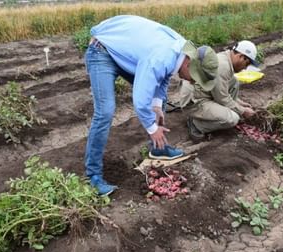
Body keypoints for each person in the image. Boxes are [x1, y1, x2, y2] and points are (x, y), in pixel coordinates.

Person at [85, 15, 219, 196]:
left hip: (126, 53)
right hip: (102, 50)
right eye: (196, 77)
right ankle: (93, 177)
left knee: (159, 100)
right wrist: (151, 127)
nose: (194, 82)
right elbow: (140, 100)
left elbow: (161, 79)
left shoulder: (179, 51)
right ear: (189, 64)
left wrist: (156, 106)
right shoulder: (162, 57)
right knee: (105, 111)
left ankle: (158, 149)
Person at [179, 40, 260, 142]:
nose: (245, 68)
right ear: (240, 56)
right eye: (246, 63)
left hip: (206, 92)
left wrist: (241, 104)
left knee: (234, 81)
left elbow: (222, 91)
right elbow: (222, 98)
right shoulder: (223, 66)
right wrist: (242, 111)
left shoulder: (226, 59)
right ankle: (196, 124)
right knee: (232, 119)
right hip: (194, 101)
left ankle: (222, 113)